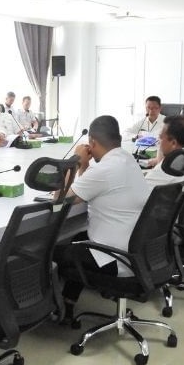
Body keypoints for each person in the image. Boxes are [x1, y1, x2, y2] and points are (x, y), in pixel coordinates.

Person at [55, 115, 150, 321]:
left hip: (114, 257)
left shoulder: (105, 170)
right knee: (77, 240)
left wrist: (75, 161)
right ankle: (68, 303)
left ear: (92, 142)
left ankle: (53, 309)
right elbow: (90, 185)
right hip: (136, 252)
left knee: (52, 252)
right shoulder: (126, 159)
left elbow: (59, 200)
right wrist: (84, 167)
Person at [144, 115, 184, 188]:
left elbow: (139, 190)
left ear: (173, 143)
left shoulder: (164, 170)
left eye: (160, 137)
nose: (158, 142)